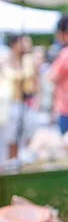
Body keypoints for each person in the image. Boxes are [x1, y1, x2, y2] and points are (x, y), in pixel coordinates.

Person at [0, 34, 37, 163]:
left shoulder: (30, 61)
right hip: (10, 104)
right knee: (10, 138)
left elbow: (36, 83)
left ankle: (23, 162)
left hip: (27, 103)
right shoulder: (4, 60)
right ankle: (11, 163)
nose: (28, 45)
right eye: (25, 42)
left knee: (28, 136)